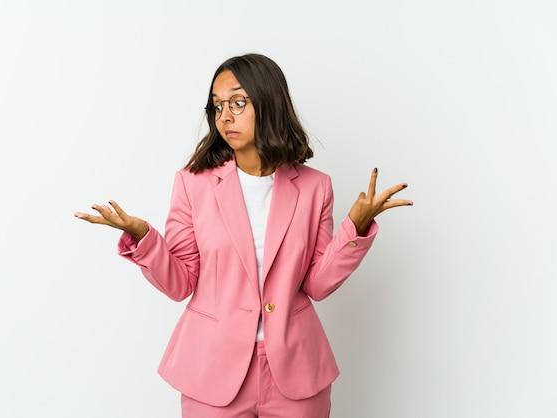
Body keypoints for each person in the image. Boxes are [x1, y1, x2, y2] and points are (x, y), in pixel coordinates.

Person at [74, 53, 412, 418]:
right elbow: (180, 283)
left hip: (296, 370)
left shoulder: (316, 187)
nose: (225, 117)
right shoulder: (192, 184)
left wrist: (355, 230)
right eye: (217, 106)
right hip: (213, 370)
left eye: (238, 102)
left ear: (270, 103)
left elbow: (317, 284)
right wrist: (144, 238)